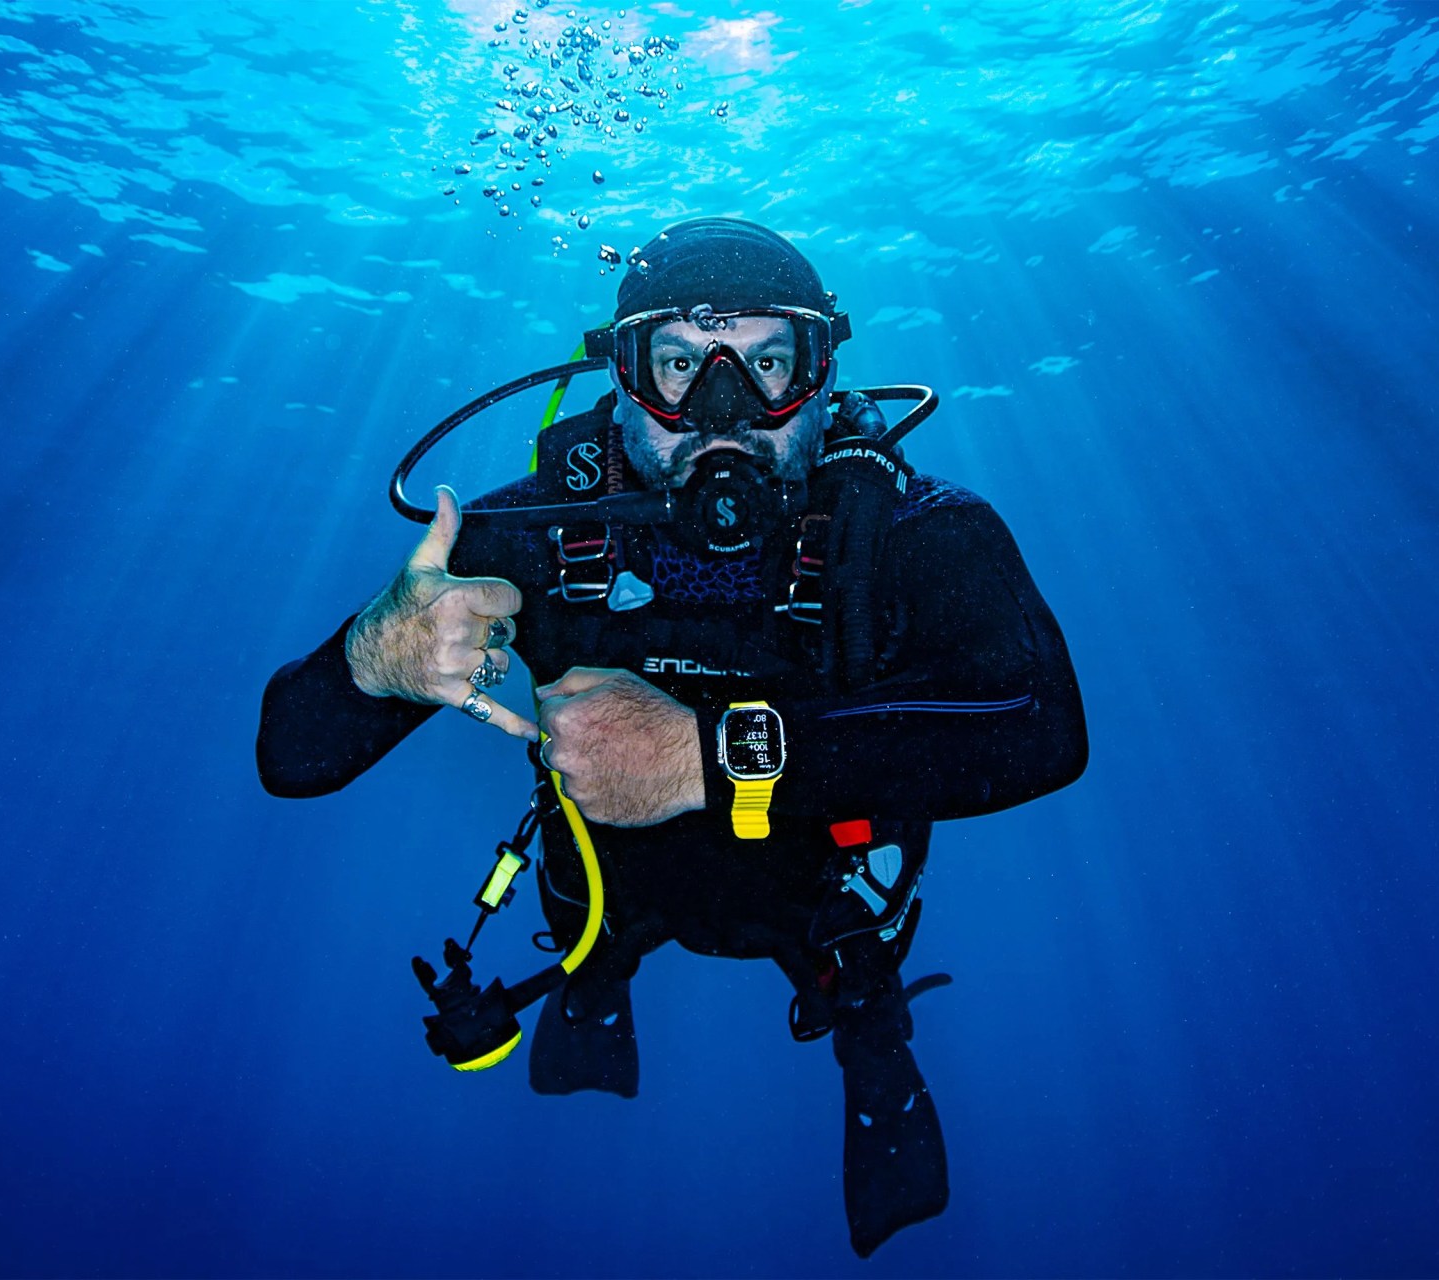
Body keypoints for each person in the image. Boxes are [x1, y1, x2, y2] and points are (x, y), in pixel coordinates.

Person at [257, 217, 1088, 1257]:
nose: (726, 413)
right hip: (611, 882)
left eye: (770, 360)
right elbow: (290, 758)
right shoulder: (533, 537)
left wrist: (700, 755)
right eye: (682, 364)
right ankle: (597, 981)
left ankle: (869, 1033)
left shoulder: (915, 528)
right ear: (620, 376)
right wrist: (371, 656)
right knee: (591, 939)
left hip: (816, 899)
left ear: (825, 372)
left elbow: (1042, 723)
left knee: (853, 982)